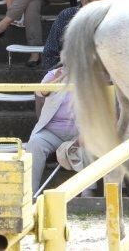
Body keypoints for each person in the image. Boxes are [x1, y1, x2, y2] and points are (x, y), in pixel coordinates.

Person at [25, 63, 78, 193]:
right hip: (51, 132)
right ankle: (29, 194)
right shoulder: (54, 74)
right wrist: (58, 78)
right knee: (35, 144)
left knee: (93, 145)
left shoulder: (92, 76)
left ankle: (89, 195)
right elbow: (41, 92)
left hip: (80, 132)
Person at [41, 0, 110, 70]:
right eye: (99, 4)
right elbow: (49, 55)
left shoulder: (111, 18)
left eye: (107, 3)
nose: (105, 8)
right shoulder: (67, 16)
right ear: (84, 1)